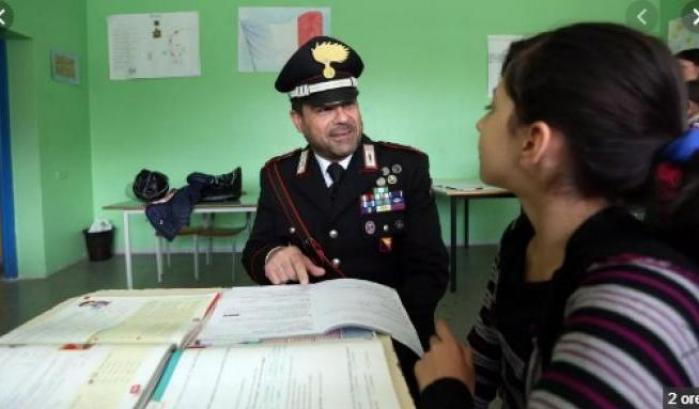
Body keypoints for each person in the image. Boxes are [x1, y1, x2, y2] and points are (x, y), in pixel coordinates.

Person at [414, 23, 699, 408]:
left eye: (492, 108)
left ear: (534, 142)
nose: (480, 124)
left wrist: (445, 391)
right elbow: (486, 354)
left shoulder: (628, 305)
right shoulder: (523, 238)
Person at [242, 35, 449, 395]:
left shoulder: (405, 167)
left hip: (391, 340)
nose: (343, 118)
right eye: (324, 110)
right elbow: (256, 249)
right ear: (297, 120)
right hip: (308, 338)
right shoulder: (278, 174)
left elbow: (430, 269)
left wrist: (381, 334)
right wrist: (275, 255)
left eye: (348, 104)